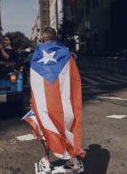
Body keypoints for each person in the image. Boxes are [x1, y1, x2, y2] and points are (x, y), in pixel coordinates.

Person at [23, 27, 85, 174]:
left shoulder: (33, 57)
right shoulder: (68, 55)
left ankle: (46, 160)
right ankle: (72, 159)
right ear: (55, 38)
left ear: (42, 39)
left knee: (44, 128)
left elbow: (30, 78)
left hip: (43, 102)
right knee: (66, 127)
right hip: (63, 104)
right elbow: (74, 78)